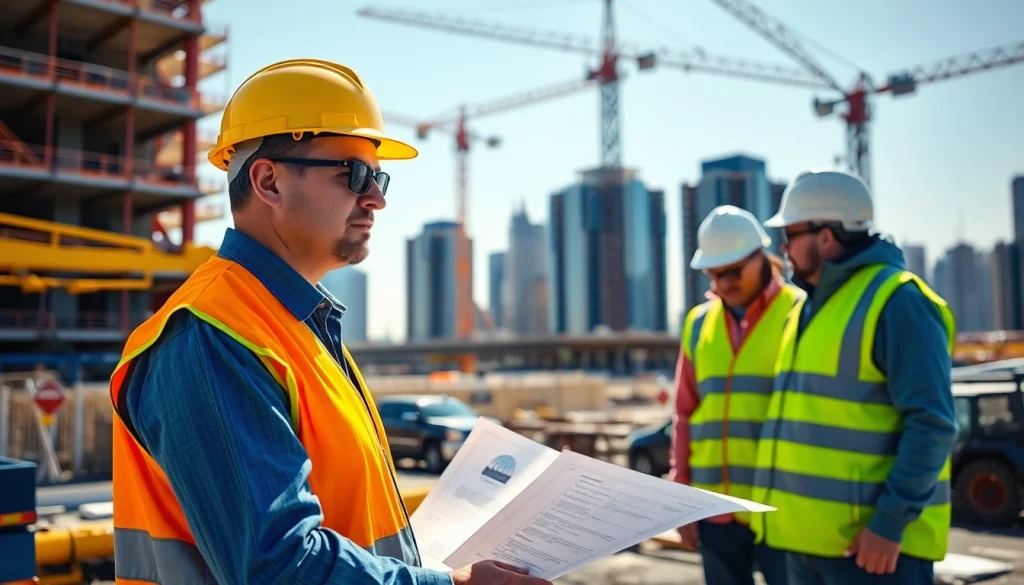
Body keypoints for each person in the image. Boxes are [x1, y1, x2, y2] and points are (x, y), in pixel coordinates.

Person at [107, 59, 550, 585]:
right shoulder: (208, 335)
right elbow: (276, 566)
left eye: (379, 176)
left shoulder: (299, 326)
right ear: (268, 180)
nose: (377, 198)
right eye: (355, 174)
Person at [750, 169, 957, 585]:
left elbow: (932, 424)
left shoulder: (898, 302)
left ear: (826, 237)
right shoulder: (807, 309)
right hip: (806, 547)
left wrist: (889, 524)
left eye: (791, 234)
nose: (783, 248)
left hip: (873, 555)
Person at [672, 205, 802, 585]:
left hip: (781, 509)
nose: (724, 283)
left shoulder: (798, 312)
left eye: (733, 271)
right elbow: (684, 414)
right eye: (715, 274)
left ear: (761, 257)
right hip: (715, 510)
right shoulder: (698, 324)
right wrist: (682, 497)